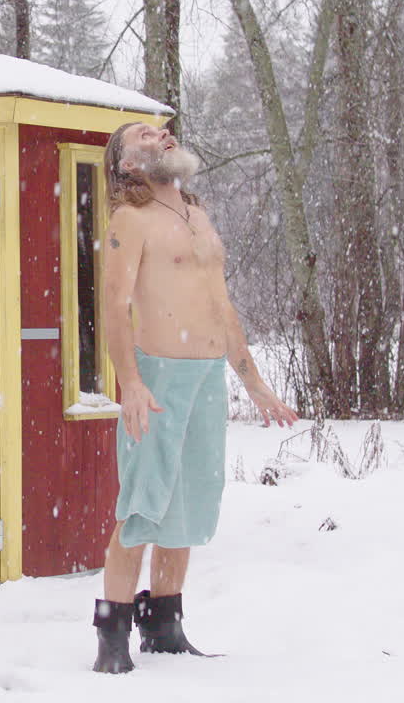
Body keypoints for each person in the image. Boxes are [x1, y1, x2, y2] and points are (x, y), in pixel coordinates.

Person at [91, 121, 299, 674]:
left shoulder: (198, 217)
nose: (161, 133)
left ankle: (163, 624)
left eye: (162, 129)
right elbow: (113, 308)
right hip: (158, 378)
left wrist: (253, 382)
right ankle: (111, 637)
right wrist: (131, 383)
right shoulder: (129, 220)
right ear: (128, 164)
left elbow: (220, 306)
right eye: (143, 135)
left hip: (207, 377)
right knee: (142, 505)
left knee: (187, 506)